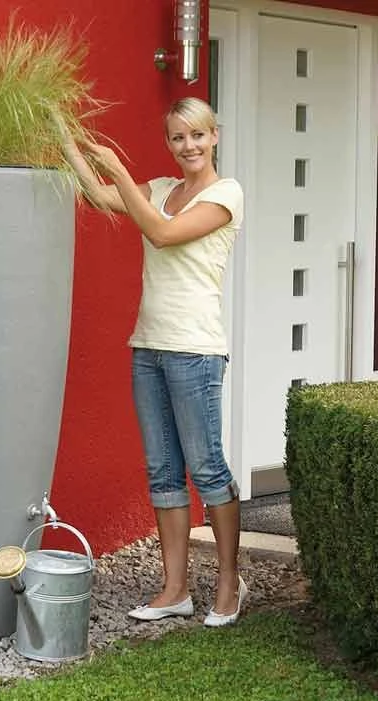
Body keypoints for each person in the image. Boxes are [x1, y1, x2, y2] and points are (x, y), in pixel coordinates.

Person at [61, 97, 247, 627]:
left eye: (197, 135)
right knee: (163, 471)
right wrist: (71, 145)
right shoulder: (161, 191)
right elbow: (99, 196)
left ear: (215, 136)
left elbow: (161, 234)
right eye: (177, 138)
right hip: (149, 347)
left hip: (196, 350)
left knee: (207, 468)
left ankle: (230, 584)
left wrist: (117, 168)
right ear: (168, 143)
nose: (187, 146)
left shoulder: (225, 193)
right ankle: (175, 590)